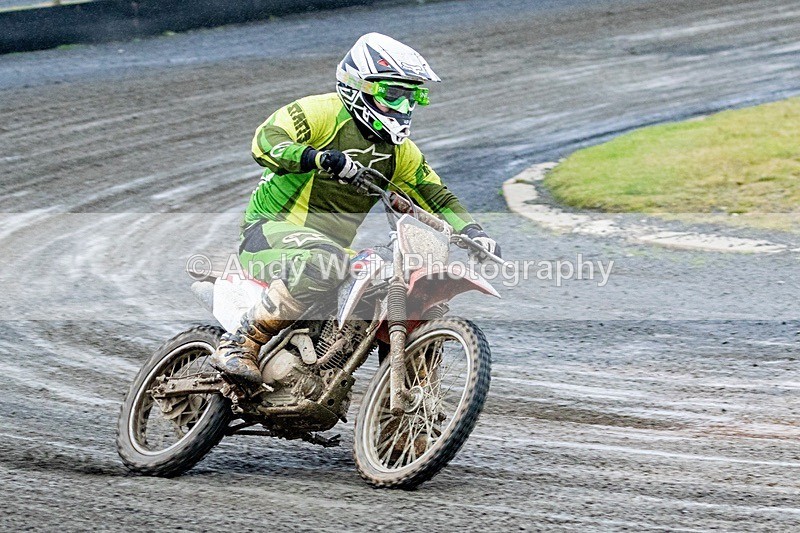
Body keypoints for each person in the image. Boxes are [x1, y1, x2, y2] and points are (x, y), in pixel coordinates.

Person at [211, 32, 500, 386]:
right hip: (269, 231)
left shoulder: (401, 154)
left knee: (396, 287)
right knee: (325, 261)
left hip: (332, 250)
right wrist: (315, 157)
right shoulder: (318, 112)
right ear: (358, 86)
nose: (403, 108)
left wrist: (473, 232)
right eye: (393, 95)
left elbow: (436, 194)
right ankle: (240, 342)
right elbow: (265, 142)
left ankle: (401, 425)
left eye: (412, 98)